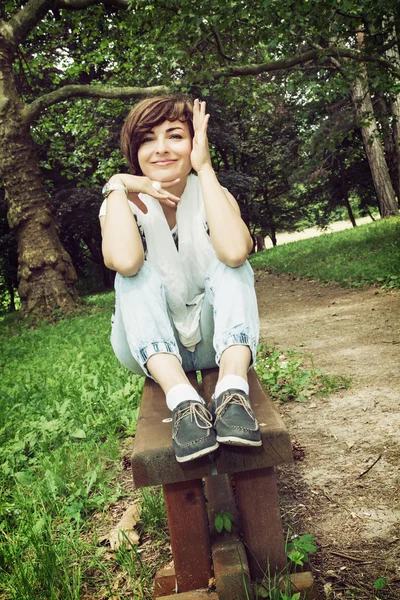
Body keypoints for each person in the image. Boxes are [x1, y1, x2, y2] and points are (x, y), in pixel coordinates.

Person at [99, 95, 261, 463]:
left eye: (174, 136)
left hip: (217, 341)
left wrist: (204, 169)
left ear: (193, 142)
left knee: (230, 263)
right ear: (134, 150)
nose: (161, 149)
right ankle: (184, 403)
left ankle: (232, 392)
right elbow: (124, 262)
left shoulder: (213, 193)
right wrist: (118, 185)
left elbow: (237, 252)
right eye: (147, 140)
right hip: (152, 348)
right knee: (133, 275)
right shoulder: (118, 201)